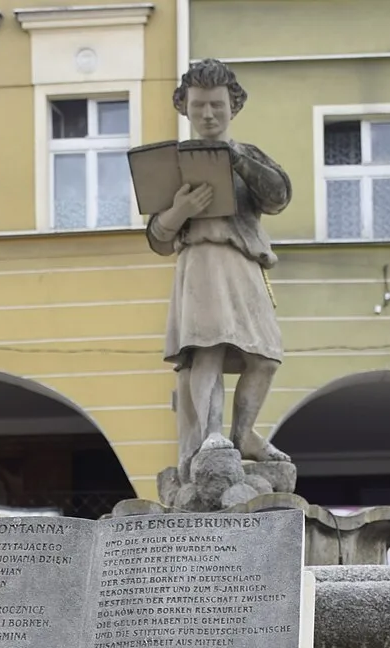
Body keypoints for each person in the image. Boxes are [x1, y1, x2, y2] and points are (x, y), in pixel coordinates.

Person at [147, 58, 293, 478]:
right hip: (202, 260)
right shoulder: (172, 163)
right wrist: (179, 211)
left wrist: (236, 160)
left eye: (216, 105)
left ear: (234, 106)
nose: (208, 114)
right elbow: (157, 237)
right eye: (198, 106)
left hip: (245, 261)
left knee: (265, 355)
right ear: (185, 108)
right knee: (207, 347)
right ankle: (212, 435)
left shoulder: (249, 156)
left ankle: (243, 433)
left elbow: (278, 197)